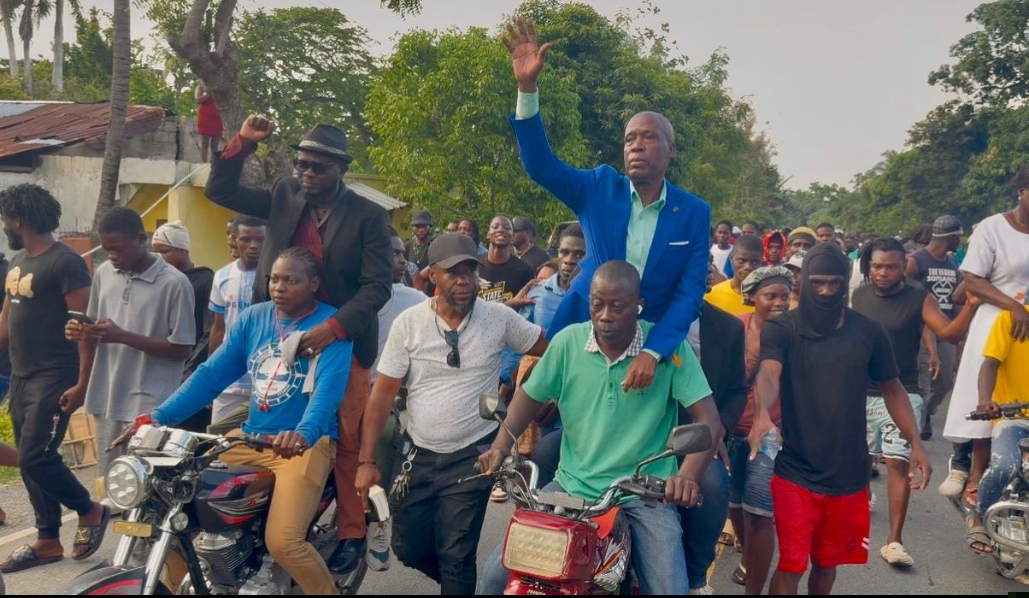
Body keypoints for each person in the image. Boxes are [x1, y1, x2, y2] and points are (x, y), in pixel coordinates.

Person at [205, 116, 393, 574]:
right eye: (302, 164)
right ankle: (269, 515)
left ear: (341, 169)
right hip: (279, 335)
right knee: (262, 423)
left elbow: (377, 287)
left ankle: (352, 531)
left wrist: (335, 329)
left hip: (340, 340)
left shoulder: (368, 215)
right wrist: (242, 143)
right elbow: (220, 191)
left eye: (318, 167)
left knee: (345, 437)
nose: (307, 173)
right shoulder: (285, 194)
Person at [476, 261, 721, 595]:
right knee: (495, 578)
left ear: (638, 305)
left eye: (617, 306)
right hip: (570, 487)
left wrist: (687, 477)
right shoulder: (567, 343)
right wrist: (500, 446)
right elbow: (528, 398)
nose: (605, 315)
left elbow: (709, 420)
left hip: (645, 494)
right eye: (597, 304)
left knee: (668, 587)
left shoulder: (669, 350)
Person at [505, 18, 710, 391]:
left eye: (648, 137)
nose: (636, 145)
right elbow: (539, 165)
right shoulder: (599, 188)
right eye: (630, 139)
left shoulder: (694, 212)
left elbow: (689, 293)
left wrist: (655, 350)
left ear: (671, 149)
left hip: (651, 349)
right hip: (584, 333)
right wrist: (527, 88)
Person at [145, 247, 352, 596]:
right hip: (250, 439)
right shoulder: (254, 318)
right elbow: (211, 374)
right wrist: (157, 417)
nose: (279, 287)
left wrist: (303, 433)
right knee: (179, 516)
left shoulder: (330, 327)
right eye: (274, 279)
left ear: (314, 284)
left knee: (283, 541)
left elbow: (327, 392)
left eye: (291, 280)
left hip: (303, 446)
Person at [354, 233, 547, 594]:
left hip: (474, 455)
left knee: (456, 554)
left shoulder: (499, 318)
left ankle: (458, 583)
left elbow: (550, 348)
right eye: (453, 272)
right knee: (407, 546)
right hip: (418, 454)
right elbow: (381, 397)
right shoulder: (409, 323)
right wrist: (366, 461)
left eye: (470, 271)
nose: (464, 280)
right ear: (431, 275)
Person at [748, 243, 930, 595]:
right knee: (791, 565)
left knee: (827, 564)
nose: (826, 291)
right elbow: (769, 373)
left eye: (834, 283)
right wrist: (761, 414)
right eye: (817, 282)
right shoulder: (782, 328)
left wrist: (916, 443)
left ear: (846, 282)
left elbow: (893, 388)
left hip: (849, 473)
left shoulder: (869, 331)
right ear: (804, 282)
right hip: (795, 471)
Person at [0, 184, 108, 572]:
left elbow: (85, 327)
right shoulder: (18, 261)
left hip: (55, 376)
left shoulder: (65, 263)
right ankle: (47, 539)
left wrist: (82, 384)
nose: (4, 226)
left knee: (35, 455)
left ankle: (89, 509)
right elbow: (6, 319)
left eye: (5, 219)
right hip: (22, 376)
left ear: (18, 220)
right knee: (30, 459)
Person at [851, 238, 979, 567]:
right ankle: (861, 501)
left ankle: (894, 541)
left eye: (891, 267)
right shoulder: (859, 295)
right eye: (877, 266)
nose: (883, 273)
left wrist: (970, 305)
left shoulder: (919, 298)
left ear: (903, 267)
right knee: (860, 458)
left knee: (897, 461)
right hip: (860, 391)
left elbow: (949, 333)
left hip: (902, 391)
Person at [69, 207, 195, 480]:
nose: (112, 256)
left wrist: (122, 335)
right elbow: (96, 330)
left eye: (118, 248)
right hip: (108, 397)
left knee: (149, 484)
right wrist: (82, 331)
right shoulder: (104, 273)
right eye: (107, 249)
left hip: (151, 403)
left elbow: (183, 348)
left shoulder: (175, 283)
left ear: (141, 239)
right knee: (113, 483)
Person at [941, 166, 1029, 553]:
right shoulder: (993, 228)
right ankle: (974, 483)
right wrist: (1014, 306)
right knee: (987, 408)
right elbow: (973, 280)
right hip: (997, 319)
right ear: (1021, 190)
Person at [678, 264, 748, 595]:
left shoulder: (728, 327)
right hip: (642, 428)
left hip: (699, 434)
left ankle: (696, 575)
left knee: (713, 485)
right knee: (549, 450)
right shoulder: (643, 318)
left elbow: (737, 391)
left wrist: (718, 431)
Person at [726, 266, 793, 594]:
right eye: (771, 296)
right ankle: (747, 556)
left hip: (769, 434)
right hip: (730, 430)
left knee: (760, 510)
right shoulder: (735, 328)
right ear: (752, 296)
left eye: (785, 296)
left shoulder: (793, 334)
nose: (779, 302)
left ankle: (754, 586)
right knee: (735, 504)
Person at [969, 282, 1029, 556]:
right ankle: (979, 517)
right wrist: (985, 399)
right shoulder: (1013, 318)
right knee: (1006, 465)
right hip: (1014, 419)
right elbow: (990, 363)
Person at [907, 215, 964, 440]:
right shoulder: (916, 261)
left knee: (945, 382)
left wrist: (960, 331)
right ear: (951, 237)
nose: (960, 241)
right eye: (959, 237)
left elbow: (956, 299)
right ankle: (917, 424)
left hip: (946, 330)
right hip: (921, 330)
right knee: (924, 380)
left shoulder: (952, 263)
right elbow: (904, 293)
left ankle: (926, 412)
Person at [207, 215, 267, 424]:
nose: (253, 245)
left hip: (265, 381)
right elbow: (218, 328)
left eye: (260, 239)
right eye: (246, 239)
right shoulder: (222, 276)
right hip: (229, 381)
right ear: (234, 240)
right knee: (219, 438)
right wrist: (211, 374)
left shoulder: (276, 277)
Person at [152, 221, 214, 387]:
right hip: (161, 365)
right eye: (155, 252)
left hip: (189, 367)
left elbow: (209, 330)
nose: (158, 257)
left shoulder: (204, 279)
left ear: (183, 250)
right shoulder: (158, 280)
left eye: (164, 251)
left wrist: (191, 367)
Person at [522, 223, 585, 333]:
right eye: (564, 252)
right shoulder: (537, 292)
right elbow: (519, 336)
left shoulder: (596, 296)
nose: (569, 260)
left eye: (579, 255)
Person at [478, 215, 535, 307]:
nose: (500, 230)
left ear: (512, 237)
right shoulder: (474, 265)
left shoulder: (524, 271)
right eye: (495, 227)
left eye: (507, 228)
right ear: (488, 234)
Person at [704, 233, 763, 316]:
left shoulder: (766, 299)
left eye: (754, 262)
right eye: (741, 261)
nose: (748, 267)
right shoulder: (711, 296)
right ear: (731, 258)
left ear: (762, 262)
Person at [195, 83, 223, 163]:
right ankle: (204, 163)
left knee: (215, 145)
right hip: (205, 118)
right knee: (204, 143)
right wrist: (209, 93)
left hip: (217, 119)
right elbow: (198, 100)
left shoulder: (219, 88)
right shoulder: (201, 87)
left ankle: (213, 163)